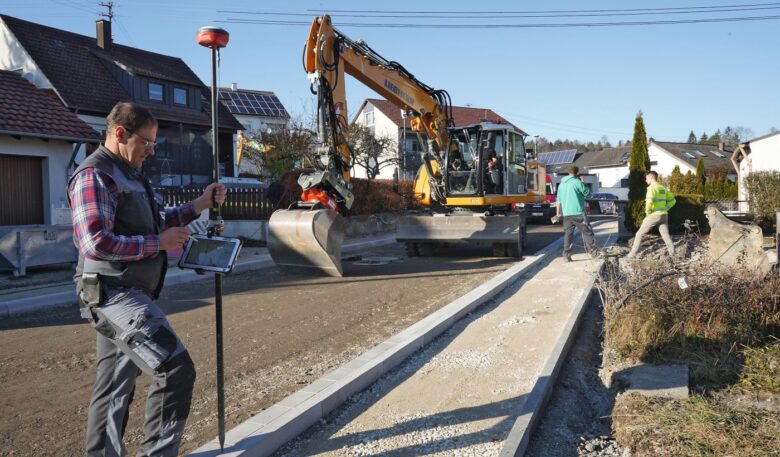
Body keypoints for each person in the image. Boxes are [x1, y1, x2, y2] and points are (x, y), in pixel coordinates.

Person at [68, 102, 226, 456]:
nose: (151, 151)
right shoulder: (95, 176)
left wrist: (200, 204)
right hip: (112, 293)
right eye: (147, 142)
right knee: (174, 369)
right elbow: (94, 243)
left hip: (133, 292)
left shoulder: (132, 175)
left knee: (112, 388)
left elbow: (160, 218)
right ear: (120, 133)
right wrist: (160, 243)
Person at [626, 170, 676, 259]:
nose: (645, 180)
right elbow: (673, 200)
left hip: (654, 215)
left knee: (639, 234)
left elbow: (649, 203)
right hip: (664, 215)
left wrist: (648, 213)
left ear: (651, 177)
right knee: (665, 235)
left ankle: (631, 255)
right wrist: (666, 208)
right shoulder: (662, 188)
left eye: (646, 178)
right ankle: (672, 253)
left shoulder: (651, 189)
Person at [555, 166, 601, 262]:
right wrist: (583, 182)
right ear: (577, 173)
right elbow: (588, 194)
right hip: (578, 213)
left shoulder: (561, 185)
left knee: (568, 235)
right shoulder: (577, 182)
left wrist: (558, 213)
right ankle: (594, 253)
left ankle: (566, 255)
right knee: (587, 232)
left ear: (568, 173)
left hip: (566, 214)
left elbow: (558, 200)